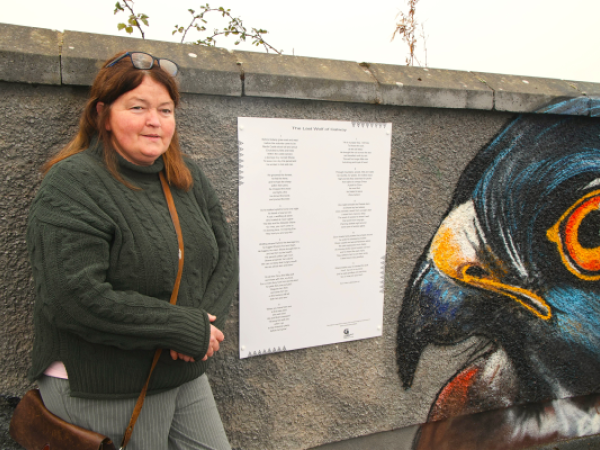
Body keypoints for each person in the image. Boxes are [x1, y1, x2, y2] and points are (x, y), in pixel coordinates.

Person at [26, 51, 238, 450]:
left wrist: (202, 329)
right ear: (103, 114)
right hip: (103, 385)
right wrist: (181, 328)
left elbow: (224, 255)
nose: (154, 121)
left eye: (165, 109)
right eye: (137, 107)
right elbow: (72, 297)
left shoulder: (185, 177)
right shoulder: (73, 183)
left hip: (181, 372)